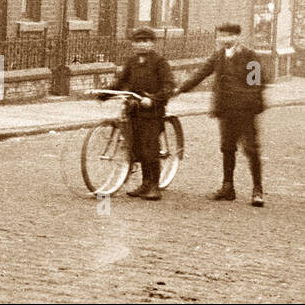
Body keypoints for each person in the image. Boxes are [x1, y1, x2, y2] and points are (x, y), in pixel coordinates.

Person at [174, 22, 266, 206]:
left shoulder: (250, 56)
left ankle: (257, 190)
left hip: (245, 111)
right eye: (222, 36)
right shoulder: (218, 56)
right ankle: (228, 187)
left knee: (251, 149)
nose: (225, 39)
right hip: (225, 110)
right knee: (227, 148)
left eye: (229, 35)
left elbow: (256, 84)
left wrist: (246, 104)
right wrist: (180, 89)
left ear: (237, 37)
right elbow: (201, 73)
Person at [100, 27, 175, 200]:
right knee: (137, 148)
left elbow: (169, 86)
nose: (142, 44)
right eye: (138, 41)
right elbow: (121, 82)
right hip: (133, 109)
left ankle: (154, 186)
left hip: (152, 111)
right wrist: (103, 94)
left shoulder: (160, 62)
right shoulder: (132, 62)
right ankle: (145, 183)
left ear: (152, 43)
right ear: (133, 44)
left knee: (150, 147)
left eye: (145, 41)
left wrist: (154, 99)